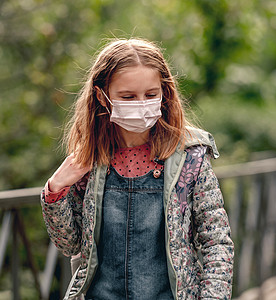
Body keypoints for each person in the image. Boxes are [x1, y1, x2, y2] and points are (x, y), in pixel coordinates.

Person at [40, 38, 234, 300]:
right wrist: (56, 189)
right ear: (102, 96)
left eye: (151, 95)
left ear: (164, 93)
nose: (142, 104)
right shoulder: (90, 160)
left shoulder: (190, 157)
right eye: (128, 96)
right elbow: (70, 244)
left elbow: (216, 242)